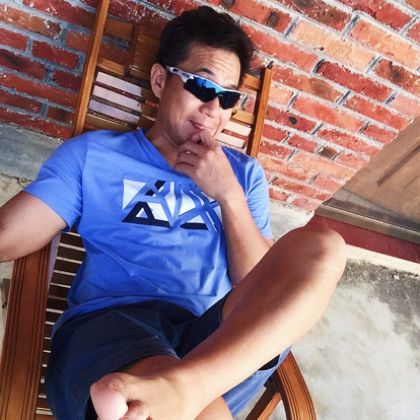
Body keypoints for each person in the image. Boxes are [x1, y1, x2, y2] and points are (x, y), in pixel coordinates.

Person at [0, 6, 346, 420]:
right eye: (201, 86)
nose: (213, 109)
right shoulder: (95, 155)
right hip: (114, 327)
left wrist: (229, 195)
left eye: (227, 97)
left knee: (323, 245)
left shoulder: (242, 174)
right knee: (178, 399)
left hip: (213, 340)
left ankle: (185, 386)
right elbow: (7, 237)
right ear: (160, 80)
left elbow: (258, 280)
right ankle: (181, 387)